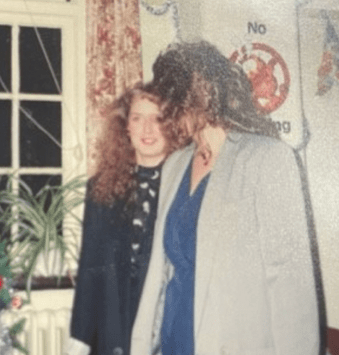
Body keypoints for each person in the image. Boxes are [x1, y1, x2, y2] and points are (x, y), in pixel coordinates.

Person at [131, 41, 320, 355]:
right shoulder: (175, 165)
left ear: (204, 92)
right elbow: (162, 272)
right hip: (174, 339)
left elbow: (291, 288)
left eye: (174, 96)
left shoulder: (269, 160)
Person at [67, 83, 184, 355]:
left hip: (165, 328)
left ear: (173, 126)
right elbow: (90, 268)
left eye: (157, 119)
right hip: (113, 326)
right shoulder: (101, 188)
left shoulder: (185, 188)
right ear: (125, 127)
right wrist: (79, 339)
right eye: (137, 118)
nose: (147, 129)